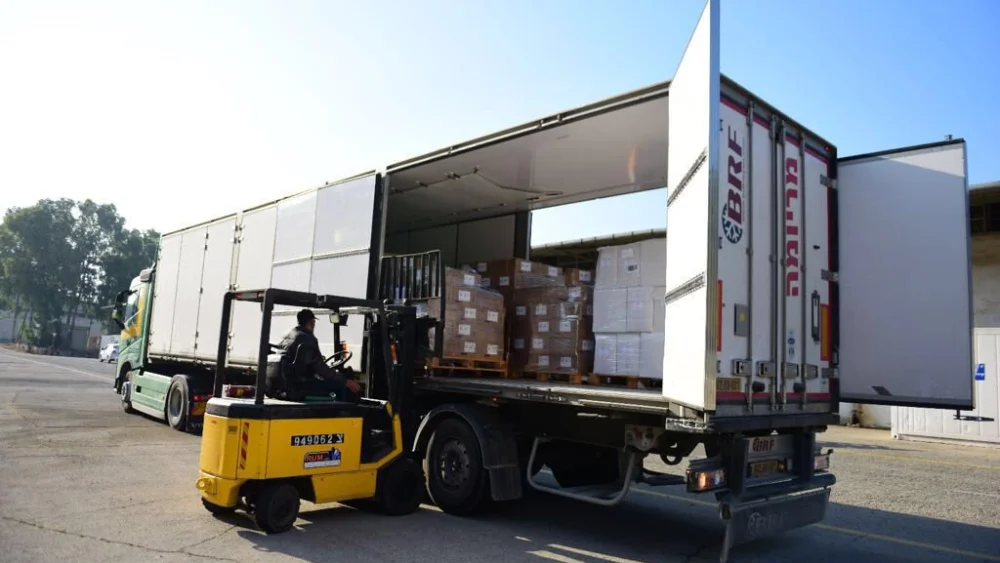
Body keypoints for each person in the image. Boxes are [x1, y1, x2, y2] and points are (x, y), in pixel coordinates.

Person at [266, 308, 361, 401]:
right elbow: (320, 368)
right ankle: (343, 413)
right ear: (311, 322)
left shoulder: (287, 336)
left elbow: (306, 363)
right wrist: (345, 381)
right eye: (314, 323)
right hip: (299, 387)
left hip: (286, 386)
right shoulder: (307, 339)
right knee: (342, 388)